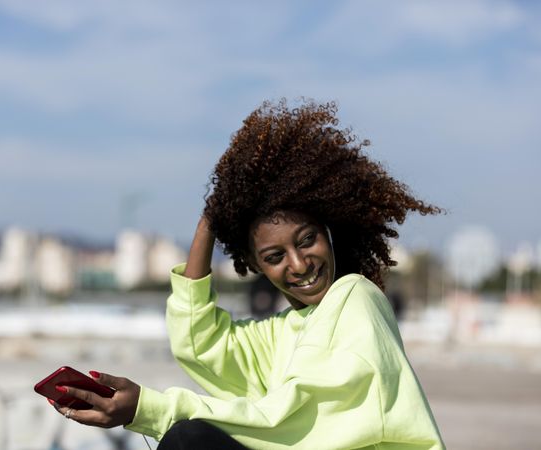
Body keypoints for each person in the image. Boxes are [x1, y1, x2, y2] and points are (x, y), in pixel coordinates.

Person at [49, 100, 446, 449]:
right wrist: (214, 215)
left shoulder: (357, 299)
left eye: (307, 240)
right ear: (256, 266)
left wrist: (147, 409)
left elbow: (296, 420)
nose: (299, 263)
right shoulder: (284, 330)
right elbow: (200, 343)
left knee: (190, 440)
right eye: (275, 255)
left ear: (329, 231)